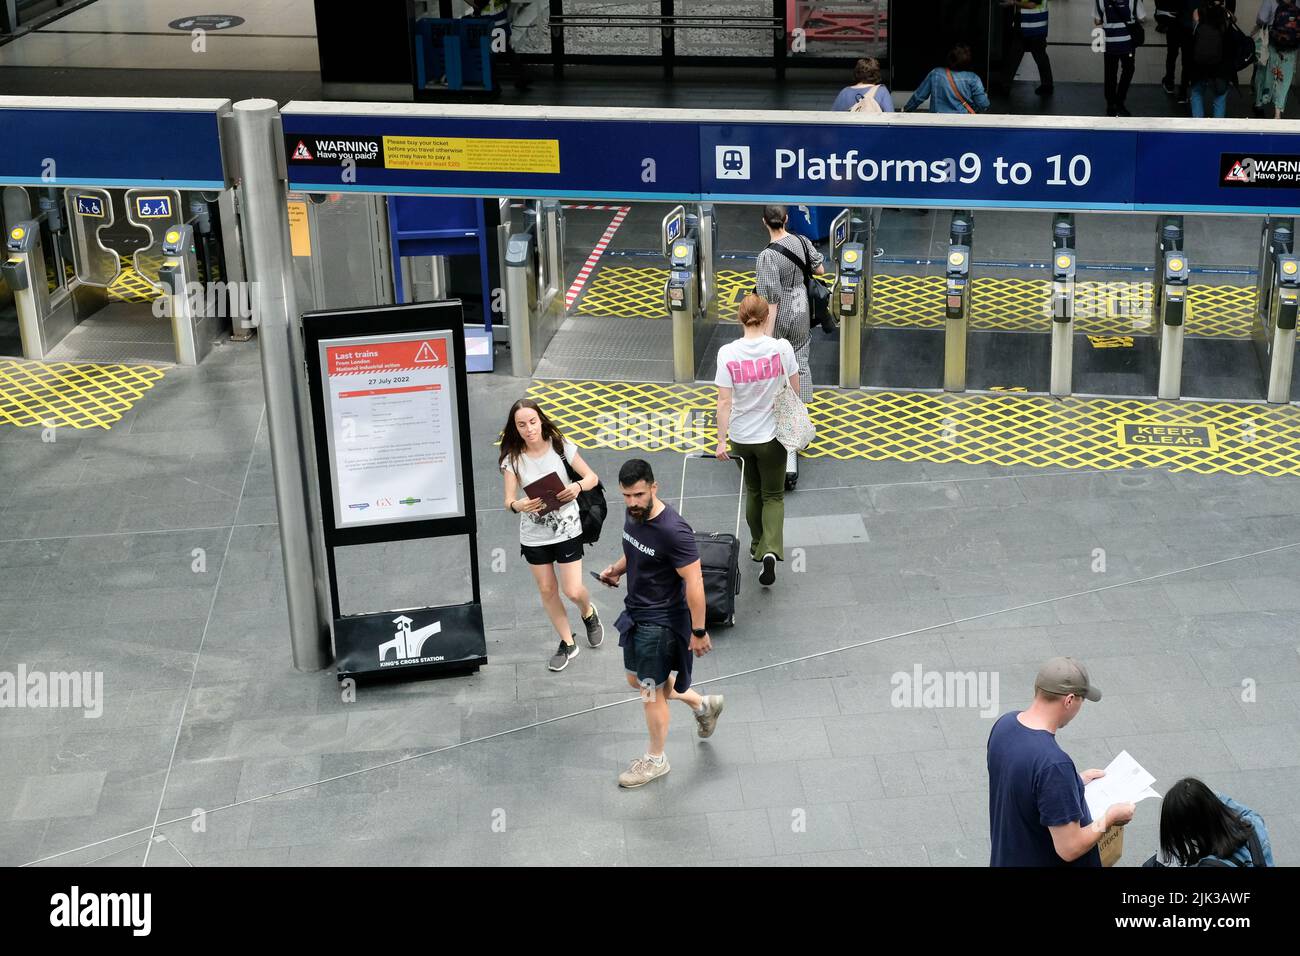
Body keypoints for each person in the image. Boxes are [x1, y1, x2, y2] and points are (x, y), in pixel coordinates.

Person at [596, 459, 725, 789]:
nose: (633, 502)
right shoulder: (634, 514)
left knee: (649, 691)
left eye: (639, 494)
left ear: (654, 487)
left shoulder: (673, 530)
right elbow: (636, 550)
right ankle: (701, 704)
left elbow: (694, 581)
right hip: (637, 611)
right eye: (626, 496)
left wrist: (698, 631)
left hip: (663, 621)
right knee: (635, 680)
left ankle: (656, 759)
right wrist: (617, 569)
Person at [987, 657, 1137, 866]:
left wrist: (1074, 782)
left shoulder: (1004, 726)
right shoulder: (1054, 765)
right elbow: (1070, 848)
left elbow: (1023, 781)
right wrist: (1110, 817)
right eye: (1081, 701)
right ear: (1068, 700)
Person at [499, 399, 603, 672]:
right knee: (547, 589)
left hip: (567, 529)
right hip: (534, 534)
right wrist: (518, 505)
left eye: (532, 422)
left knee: (572, 590)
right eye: (521, 424)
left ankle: (588, 613)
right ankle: (568, 643)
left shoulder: (560, 446)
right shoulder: (512, 459)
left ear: (541, 420)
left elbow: (592, 477)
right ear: (515, 428)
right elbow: (508, 501)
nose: (529, 429)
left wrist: (577, 487)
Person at [714, 294, 799, 589]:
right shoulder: (781, 349)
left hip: (740, 436)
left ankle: (756, 545)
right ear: (766, 319)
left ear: (740, 318)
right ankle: (771, 551)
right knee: (773, 495)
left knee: (752, 490)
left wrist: (721, 441)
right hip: (772, 436)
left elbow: (723, 403)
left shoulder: (727, 353)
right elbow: (794, 391)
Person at [754, 205, 824, 491]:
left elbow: (770, 299)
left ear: (764, 223)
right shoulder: (802, 241)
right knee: (800, 361)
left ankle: (781, 430)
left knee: (777, 370)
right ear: (786, 219)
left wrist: (766, 338)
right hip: (802, 307)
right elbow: (819, 268)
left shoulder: (767, 257)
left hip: (781, 313)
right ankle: (800, 416)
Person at [1146, 777, 1275, 866]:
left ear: (1190, 830)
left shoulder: (1209, 864)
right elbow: (1238, 809)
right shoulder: (1252, 824)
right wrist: (1202, 797)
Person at [903, 44, 991, 114]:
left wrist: (905, 111)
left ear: (950, 58)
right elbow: (983, 105)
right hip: (963, 123)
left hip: (938, 122)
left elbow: (918, 97)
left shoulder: (936, 73)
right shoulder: (974, 78)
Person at [1188, 1, 1235, 117]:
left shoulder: (1197, 12)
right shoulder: (1225, 13)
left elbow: (1194, 33)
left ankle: (1198, 127)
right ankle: (1217, 129)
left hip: (1199, 64)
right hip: (1219, 65)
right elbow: (1233, 21)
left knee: (1197, 93)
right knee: (1220, 96)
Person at [1001, 0, 1055, 96]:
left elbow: (1031, 5)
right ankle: (1047, 85)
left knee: (1018, 55)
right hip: (1030, 24)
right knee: (1035, 56)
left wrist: (1013, 3)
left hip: (1033, 25)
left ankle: (1006, 85)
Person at [1257, 0, 1300, 118]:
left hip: (1275, 43)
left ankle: (1264, 99)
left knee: (1270, 73)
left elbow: (1261, 19)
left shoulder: (1270, 1)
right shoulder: (1297, 2)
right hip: (1292, 47)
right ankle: (1278, 112)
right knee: (1285, 78)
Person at [1157, 0, 1196, 103]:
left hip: (1173, 23)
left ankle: (1169, 82)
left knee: (1172, 54)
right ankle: (1183, 92)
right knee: (1187, 60)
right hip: (1188, 25)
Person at [830, 57, 895, 113]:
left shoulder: (845, 92)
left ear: (857, 73)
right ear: (876, 74)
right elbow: (890, 118)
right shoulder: (882, 91)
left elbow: (832, 117)